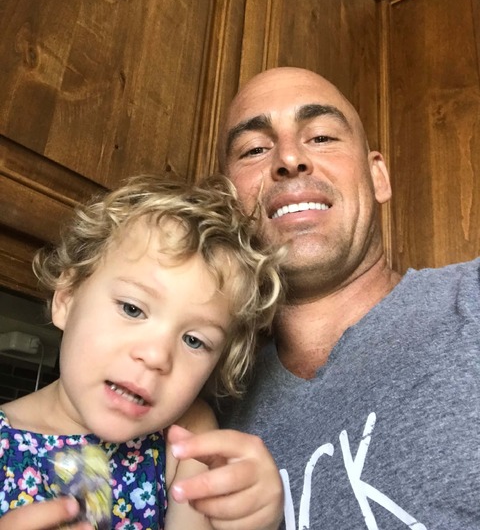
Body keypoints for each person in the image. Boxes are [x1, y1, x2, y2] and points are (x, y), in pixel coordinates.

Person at [214, 66, 480, 530]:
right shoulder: (200, 406)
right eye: (255, 149)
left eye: (321, 137)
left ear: (378, 176)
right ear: (227, 203)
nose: (289, 158)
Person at [0, 174, 285, 530]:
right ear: (67, 299)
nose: (156, 356)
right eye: (132, 309)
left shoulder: (184, 436)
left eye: (194, 341)